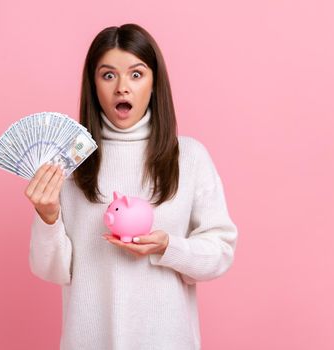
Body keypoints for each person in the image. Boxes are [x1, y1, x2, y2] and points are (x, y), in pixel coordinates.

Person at [24, 23, 238, 350]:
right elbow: (50, 271)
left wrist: (168, 247)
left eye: (136, 75)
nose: (122, 87)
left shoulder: (189, 157)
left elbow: (220, 253)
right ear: (93, 85)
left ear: (154, 83)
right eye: (108, 75)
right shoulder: (69, 161)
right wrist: (47, 216)